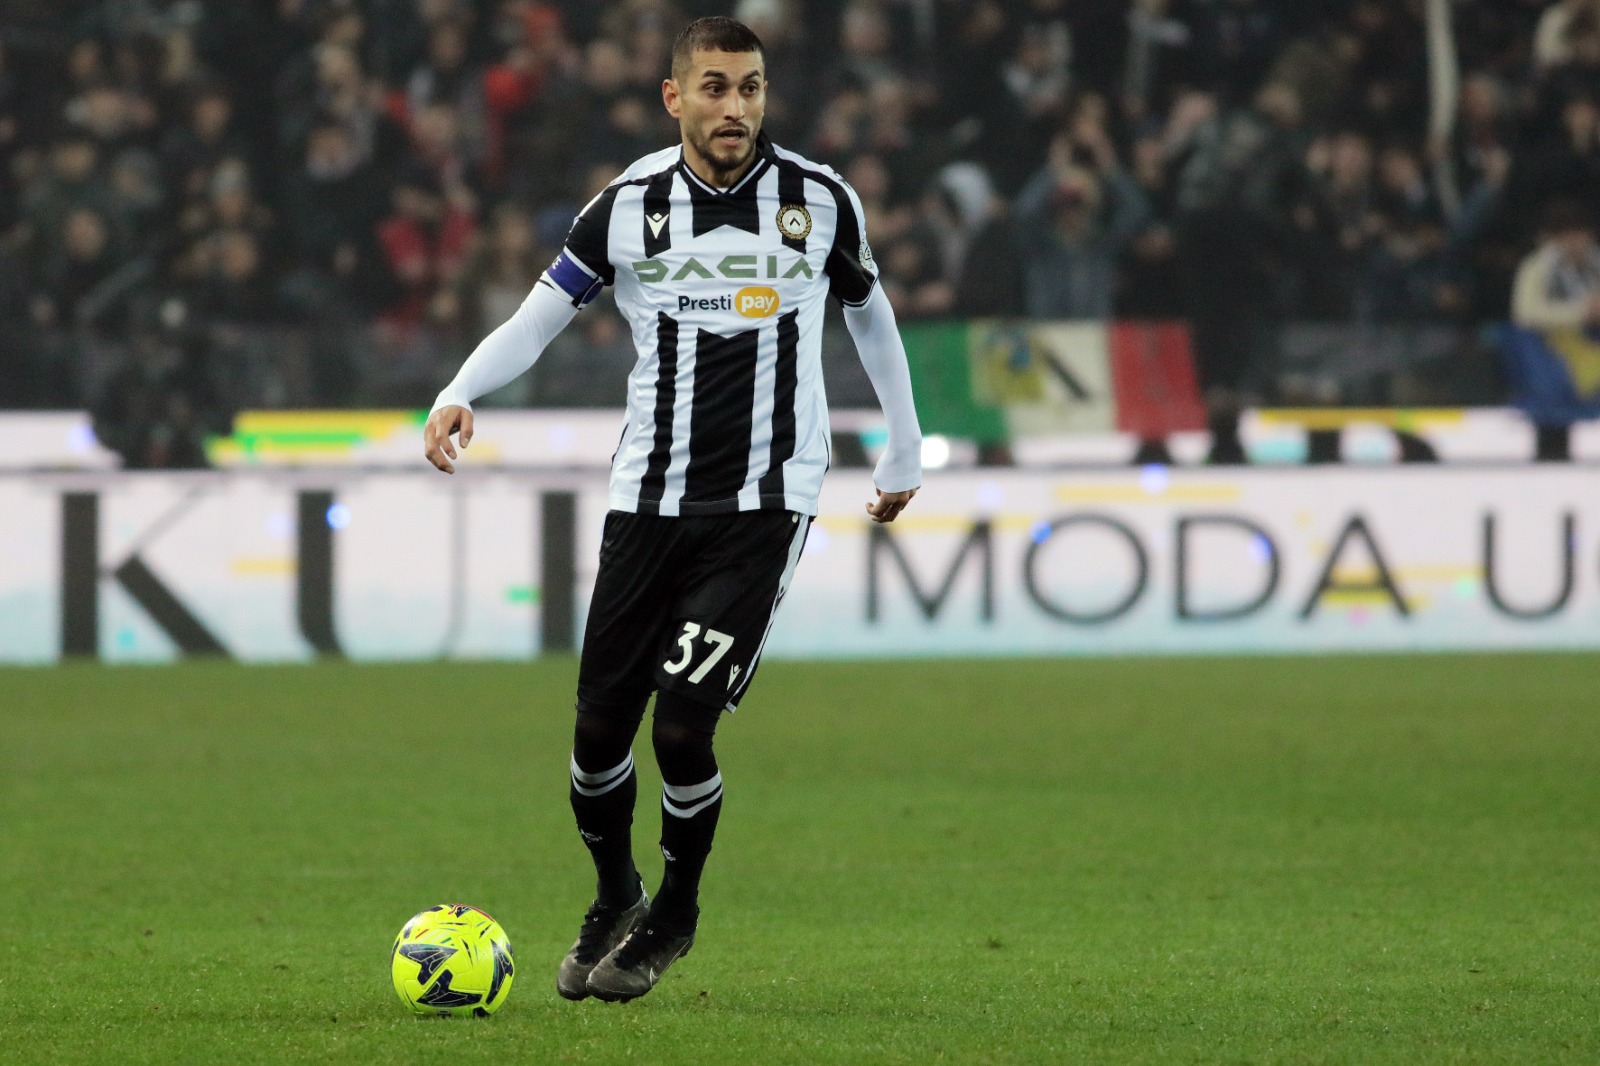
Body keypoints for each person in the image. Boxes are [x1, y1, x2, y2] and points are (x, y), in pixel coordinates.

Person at [421, 16, 922, 1002]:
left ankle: (676, 912)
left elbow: (868, 309)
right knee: (597, 733)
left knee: (683, 730)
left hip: (764, 501)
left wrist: (902, 440)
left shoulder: (819, 202)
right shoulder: (627, 207)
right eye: (714, 88)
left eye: (749, 88)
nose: (734, 107)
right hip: (645, 498)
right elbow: (540, 316)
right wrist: (460, 389)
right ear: (675, 96)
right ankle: (615, 893)